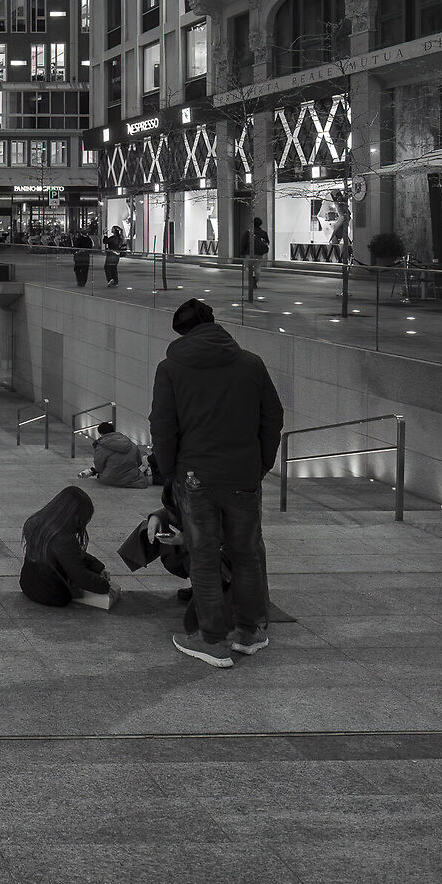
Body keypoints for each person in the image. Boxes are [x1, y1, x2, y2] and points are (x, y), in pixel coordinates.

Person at [149, 298, 283, 669]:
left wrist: (170, 470)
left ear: (183, 332)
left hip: (195, 476)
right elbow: (272, 416)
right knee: (246, 553)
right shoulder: (250, 363)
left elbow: (162, 426)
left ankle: (213, 641)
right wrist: (261, 463)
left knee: (204, 557)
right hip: (243, 474)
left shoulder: (172, 368)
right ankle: (250, 631)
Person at [17, 485, 112, 609]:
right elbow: (79, 576)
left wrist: (97, 566)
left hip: (28, 584)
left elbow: (73, 554)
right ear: (74, 516)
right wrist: (106, 586)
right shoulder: (64, 538)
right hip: (51, 594)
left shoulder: (37, 522)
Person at [83, 420, 148, 488]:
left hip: (110, 479)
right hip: (132, 479)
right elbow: (139, 462)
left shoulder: (102, 446)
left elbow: (99, 467)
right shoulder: (131, 443)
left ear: (101, 433)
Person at [244, 217, 270, 304]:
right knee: (258, 267)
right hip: (259, 253)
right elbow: (267, 242)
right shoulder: (263, 233)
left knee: (247, 267)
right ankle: (256, 279)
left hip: (249, 253)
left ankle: (251, 280)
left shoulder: (249, 232)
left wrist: (242, 252)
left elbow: (244, 242)